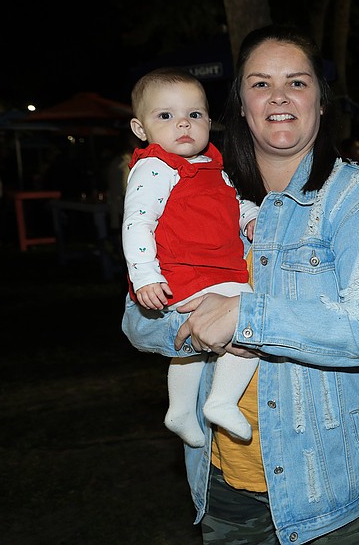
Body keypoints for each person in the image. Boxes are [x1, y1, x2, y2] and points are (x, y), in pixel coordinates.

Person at [121, 24, 359, 544]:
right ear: (239, 105)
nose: (278, 96)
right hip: (223, 480)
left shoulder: (358, 202)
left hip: (327, 488)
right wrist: (198, 328)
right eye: (260, 83)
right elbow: (138, 323)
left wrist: (245, 318)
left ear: (321, 102)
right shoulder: (201, 191)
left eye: (296, 82)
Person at [123, 67, 260, 447]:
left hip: (214, 268)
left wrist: (250, 217)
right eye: (166, 115)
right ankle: (221, 401)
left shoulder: (213, 166)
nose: (183, 124)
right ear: (140, 129)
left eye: (194, 114)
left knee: (192, 348)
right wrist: (145, 275)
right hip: (186, 271)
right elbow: (137, 221)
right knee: (251, 318)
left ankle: (181, 409)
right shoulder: (155, 167)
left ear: (209, 123)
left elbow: (234, 203)